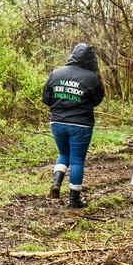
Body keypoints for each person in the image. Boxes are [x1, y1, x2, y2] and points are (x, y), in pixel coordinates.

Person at [42, 43, 105, 208]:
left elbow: (46, 99)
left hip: (57, 122)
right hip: (81, 125)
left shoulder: (56, 73)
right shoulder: (92, 78)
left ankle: (56, 183)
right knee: (77, 160)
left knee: (64, 153)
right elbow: (97, 100)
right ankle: (74, 200)